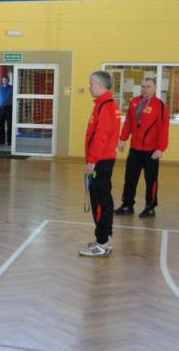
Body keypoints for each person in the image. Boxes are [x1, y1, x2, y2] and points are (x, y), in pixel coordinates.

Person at [79, 71, 121, 257]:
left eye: (91, 84)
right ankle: (105, 238)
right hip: (103, 160)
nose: (89, 87)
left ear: (101, 85)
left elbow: (101, 136)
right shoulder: (106, 104)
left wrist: (92, 161)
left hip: (100, 161)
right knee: (105, 200)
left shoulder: (106, 106)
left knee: (99, 201)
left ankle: (102, 243)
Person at [114, 77, 169, 218]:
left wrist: (160, 148)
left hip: (151, 151)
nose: (145, 89)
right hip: (135, 149)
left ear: (155, 88)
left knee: (151, 181)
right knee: (130, 179)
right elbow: (129, 122)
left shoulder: (160, 106)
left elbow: (164, 129)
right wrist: (122, 139)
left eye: (148, 86)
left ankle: (150, 208)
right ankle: (127, 205)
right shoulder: (134, 102)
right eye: (143, 86)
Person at [0, 76, 13, 145]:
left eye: (6, 80)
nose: (5, 81)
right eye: (4, 80)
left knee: (10, 125)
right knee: (1, 125)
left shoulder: (12, 88)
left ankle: (10, 141)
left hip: (9, 108)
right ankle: (1, 140)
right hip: (1, 108)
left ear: (8, 81)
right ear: (2, 81)